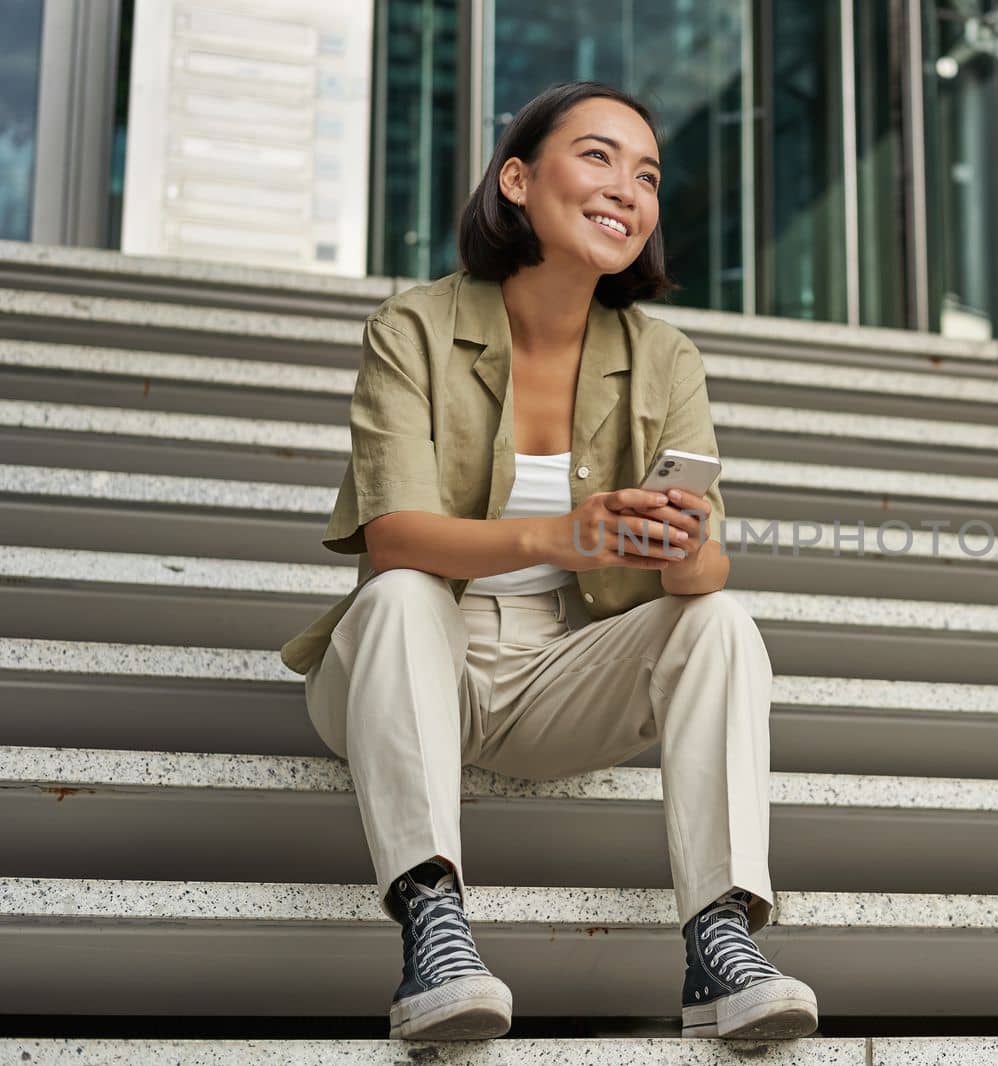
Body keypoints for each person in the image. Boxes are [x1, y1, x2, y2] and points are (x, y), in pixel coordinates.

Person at [278, 80, 819, 1042]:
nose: (629, 190)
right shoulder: (414, 327)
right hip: (409, 656)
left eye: (648, 174)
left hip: (558, 671)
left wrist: (682, 545)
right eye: (600, 157)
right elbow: (394, 534)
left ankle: (719, 944)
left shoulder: (666, 359)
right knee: (403, 593)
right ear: (518, 180)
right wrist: (562, 534)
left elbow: (704, 580)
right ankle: (434, 927)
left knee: (722, 623)